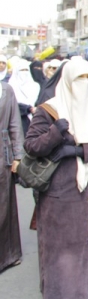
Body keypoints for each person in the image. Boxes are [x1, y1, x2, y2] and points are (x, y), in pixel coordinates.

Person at [24, 60, 88, 299]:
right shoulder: (50, 110)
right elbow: (31, 145)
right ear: (67, 80)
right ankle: (63, 292)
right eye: (78, 78)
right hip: (60, 187)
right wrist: (55, 133)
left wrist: (77, 151)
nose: (84, 83)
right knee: (62, 241)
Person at [0, 82, 24, 273]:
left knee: (4, 206)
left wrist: (18, 156)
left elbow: (15, 124)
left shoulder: (6, 90)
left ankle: (7, 255)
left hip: (2, 156)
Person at [9, 59, 40, 136]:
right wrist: (28, 108)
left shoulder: (36, 86)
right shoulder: (10, 86)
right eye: (21, 70)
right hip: (17, 119)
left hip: (34, 120)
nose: (24, 72)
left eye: (26, 70)